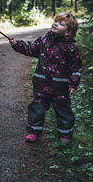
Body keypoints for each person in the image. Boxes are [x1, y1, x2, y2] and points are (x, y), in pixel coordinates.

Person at [9, 13, 82, 143]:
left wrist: (73, 84)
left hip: (60, 85)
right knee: (37, 106)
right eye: (56, 21)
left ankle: (65, 134)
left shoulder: (70, 47)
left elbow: (75, 68)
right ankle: (33, 131)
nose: (55, 24)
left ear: (68, 31)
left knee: (62, 109)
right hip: (41, 82)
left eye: (61, 24)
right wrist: (17, 44)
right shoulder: (44, 40)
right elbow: (31, 48)